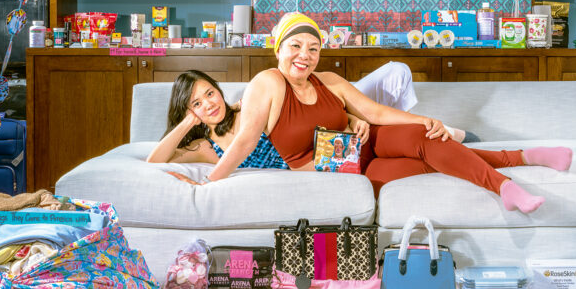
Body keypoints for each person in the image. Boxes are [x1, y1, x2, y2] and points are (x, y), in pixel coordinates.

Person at [205, 12, 573, 212]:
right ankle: (525, 156)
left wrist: (425, 119)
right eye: (296, 45)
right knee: (435, 160)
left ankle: (507, 186)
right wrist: (210, 184)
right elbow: (245, 140)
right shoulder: (267, 82)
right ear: (278, 48)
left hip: (370, 142)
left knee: (424, 137)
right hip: (345, 170)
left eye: (314, 48)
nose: (305, 55)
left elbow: (376, 112)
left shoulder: (328, 79)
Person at [146, 61, 468, 170]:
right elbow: (155, 161)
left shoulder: (247, 104)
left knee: (397, 73)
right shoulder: (207, 147)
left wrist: (350, 117)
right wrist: (189, 121)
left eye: (210, 94)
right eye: (197, 104)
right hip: (323, 150)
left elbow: (302, 108)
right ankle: (443, 138)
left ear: (219, 90)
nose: (209, 105)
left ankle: (432, 134)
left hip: (329, 115)